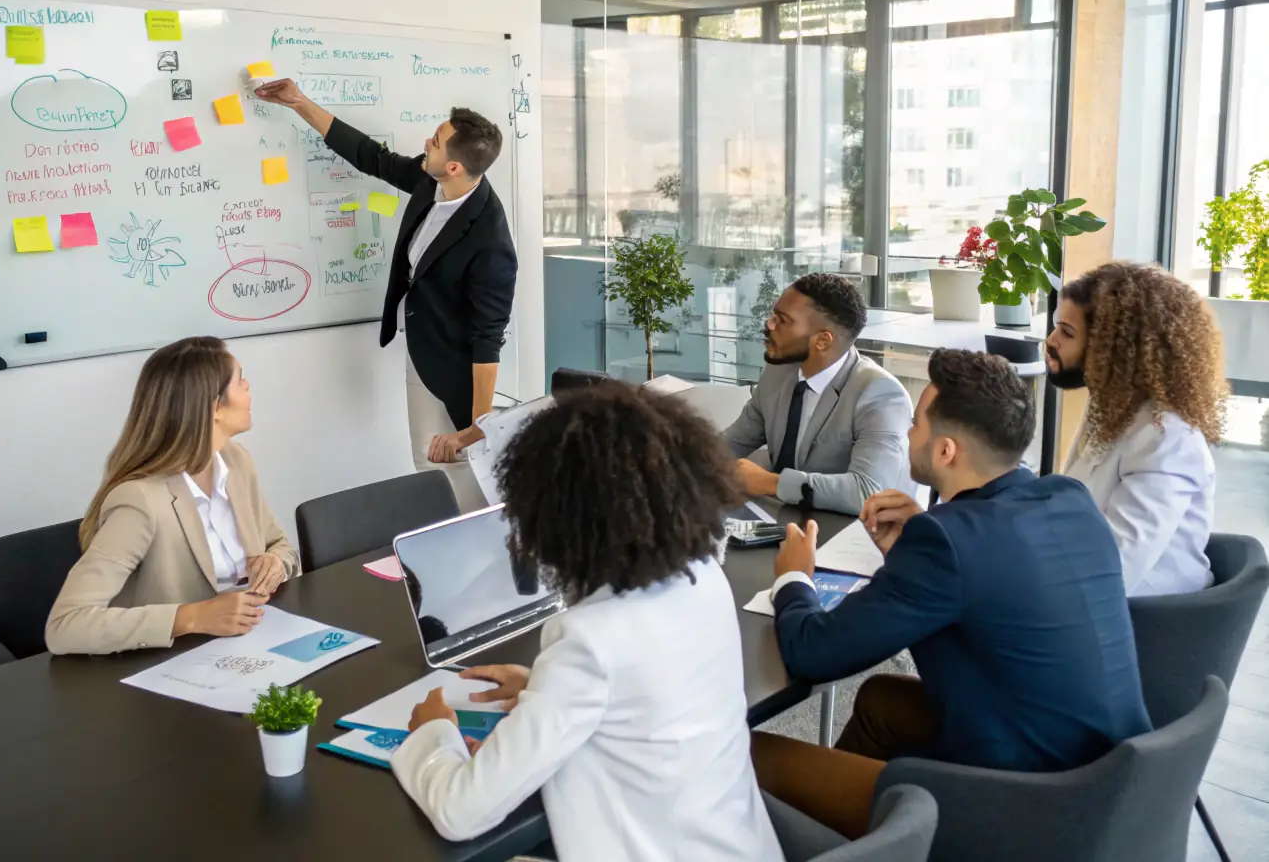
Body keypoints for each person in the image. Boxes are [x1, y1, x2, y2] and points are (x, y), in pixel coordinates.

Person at [752, 349, 1151, 840]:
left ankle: (896, 837)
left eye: (917, 423)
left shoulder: (946, 542)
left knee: (748, 755)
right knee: (880, 701)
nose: (907, 434)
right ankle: (862, 847)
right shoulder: (1067, 499)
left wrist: (794, 578)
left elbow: (813, 652)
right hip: (1112, 785)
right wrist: (918, 548)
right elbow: (990, 567)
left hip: (1029, 812)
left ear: (945, 451)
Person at [390, 382, 782, 862]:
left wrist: (433, 734)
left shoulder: (590, 641)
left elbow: (459, 811)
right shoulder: (702, 577)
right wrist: (545, 689)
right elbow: (651, 692)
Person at [256, 79, 516, 512]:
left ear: (454, 167)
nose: (426, 144)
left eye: (435, 142)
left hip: (457, 366)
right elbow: (371, 157)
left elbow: (489, 339)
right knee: (426, 461)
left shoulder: (489, 240)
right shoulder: (430, 182)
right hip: (422, 345)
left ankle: (480, 545)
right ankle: (443, 545)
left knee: (462, 462)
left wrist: (476, 426)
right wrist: (301, 104)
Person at [46, 337, 299, 655]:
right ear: (214, 407)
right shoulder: (140, 502)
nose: (249, 386)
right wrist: (190, 617)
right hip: (171, 663)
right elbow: (65, 627)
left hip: (248, 644)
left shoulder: (236, 461)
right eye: (240, 379)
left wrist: (275, 563)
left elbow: (281, 546)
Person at [1046, 262, 1226, 596]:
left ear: (1110, 350)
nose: (1051, 340)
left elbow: (1116, 567)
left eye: (1067, 332)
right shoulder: (1111, 406)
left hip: (1152, 618)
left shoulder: (1167, 438)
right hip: (1098, 592)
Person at [723, 272, 911, 515]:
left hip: (840, 536)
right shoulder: (778, 371)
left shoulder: (880, 394)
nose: (769, 325)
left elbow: (868, 491)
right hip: (779, 521)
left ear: (823, 341)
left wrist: (770, 483)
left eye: (782, 320)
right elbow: (731, 444)